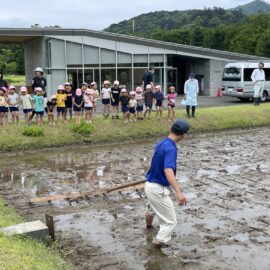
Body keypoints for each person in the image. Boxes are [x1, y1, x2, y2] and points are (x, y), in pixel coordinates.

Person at [144, 119, 189, 248]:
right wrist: (178, 192)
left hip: (149, 185)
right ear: (183, 135)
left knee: (151, 209)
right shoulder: (171, 148)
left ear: (171, 128)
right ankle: (156, 246)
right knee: (170, 222)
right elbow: (168, 170)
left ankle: (148, 226)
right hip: (158, 189)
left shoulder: (162, 143)